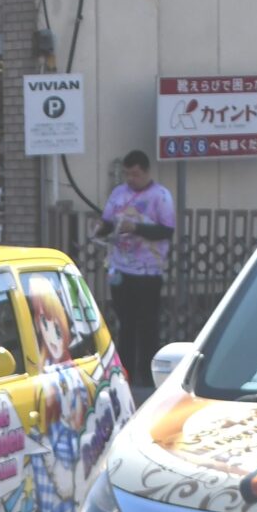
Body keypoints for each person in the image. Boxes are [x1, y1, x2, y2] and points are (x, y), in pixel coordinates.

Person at [96, 150, 176, 382]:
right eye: (127, 174)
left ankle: (149, 375)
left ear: (146, 172)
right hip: (121, 268)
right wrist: (100, 229)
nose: (131, 179)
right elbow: (108, 222)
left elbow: (167, 230)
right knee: (125, 323)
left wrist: (137, 228)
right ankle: (126, 373)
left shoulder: (161, 196)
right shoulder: (118, 194)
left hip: (149, 271)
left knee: (148, 324)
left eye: (135, 174)